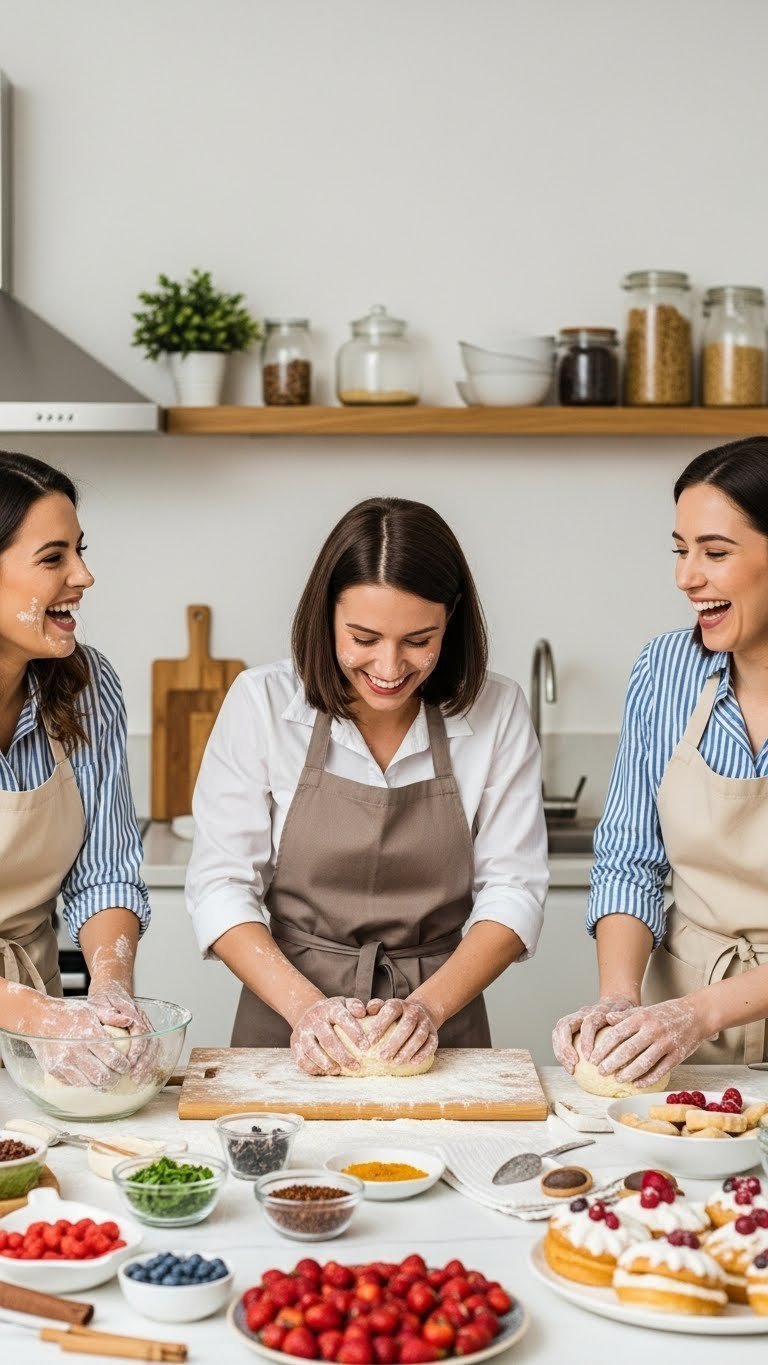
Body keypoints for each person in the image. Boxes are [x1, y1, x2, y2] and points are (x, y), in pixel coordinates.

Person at [186, 496, 547, 1074]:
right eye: (364, 637)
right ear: (325, 615)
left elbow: (515, 889)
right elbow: (220, 885)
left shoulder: (496, 711)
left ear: (450, 621)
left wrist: (426, 1009)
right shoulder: (263, 702)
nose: (390, 665)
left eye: (418, 640)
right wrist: (307, 1010)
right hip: (285, 1016)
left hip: (441, 1022)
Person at [553, 436, 768, 1087]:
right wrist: (621, 998)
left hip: (691, 1018)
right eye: (680, 550)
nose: (686, 577)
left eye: (715, 552)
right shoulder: (666, 669)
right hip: (682, 1041)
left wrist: (699, 1013)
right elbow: (628, 857)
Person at [0, 451, 151, 1086]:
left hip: (35, 1036)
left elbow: (105, 874)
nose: (84, 576)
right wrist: (37, 1015)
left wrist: (109, 991)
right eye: (53, 557)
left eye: (80, 551)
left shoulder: (87, 688)